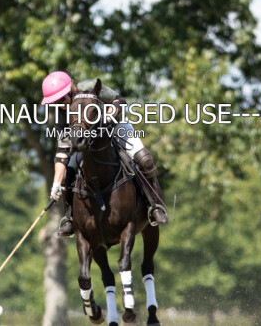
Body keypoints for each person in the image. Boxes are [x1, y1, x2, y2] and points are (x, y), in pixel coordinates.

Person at [40, 71, 169, 237]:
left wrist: (109, 115)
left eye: (60, 100)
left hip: (115, 126)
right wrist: (56, 183)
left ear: (70, 91)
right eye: (54, 102)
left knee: (145, 160)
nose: (59, 105)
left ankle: (154, 206)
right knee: (67, 176)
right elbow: (62, 152)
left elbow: (119, 100)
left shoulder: (89, 87)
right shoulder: (61, 115)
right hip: (87, 140)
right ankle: (70, 219)